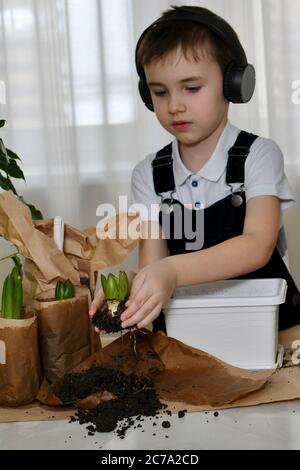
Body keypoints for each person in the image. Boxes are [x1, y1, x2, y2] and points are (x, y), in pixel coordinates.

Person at [90, 5, 300, 332]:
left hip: (271, 330)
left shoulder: (258, 156)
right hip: (193, 332)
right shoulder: (148, 175)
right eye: (160, 92)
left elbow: (257, 246)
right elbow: (154, 263)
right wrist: (136, 281)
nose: (175, 105)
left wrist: (171, 272)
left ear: (233, 84)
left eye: (192, 88)